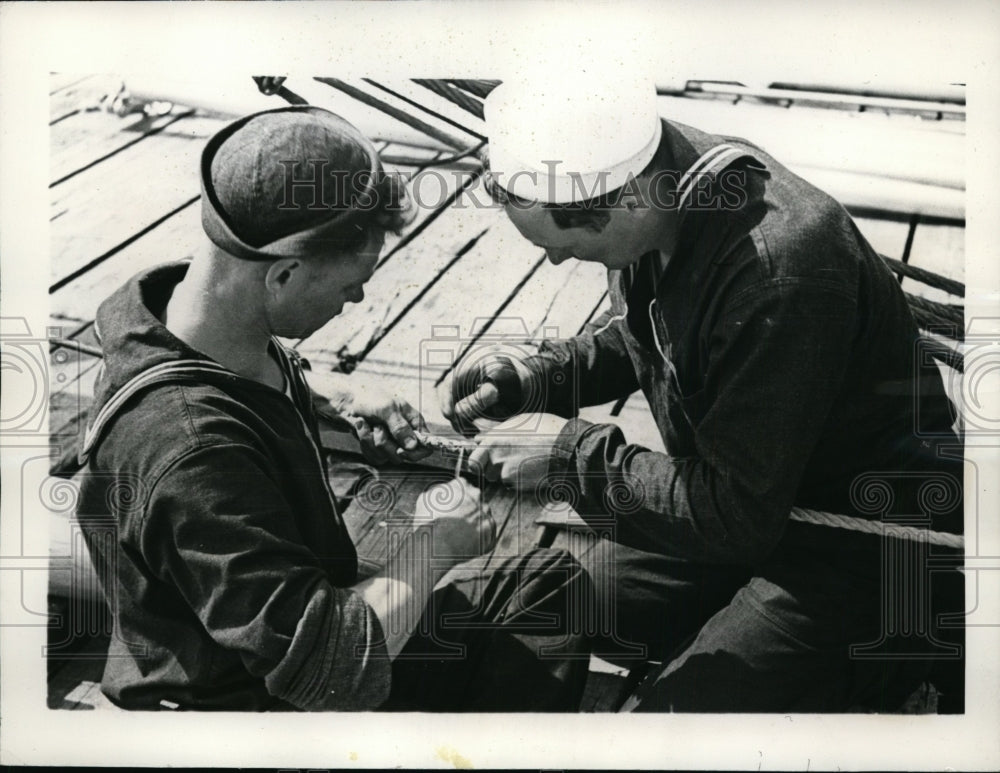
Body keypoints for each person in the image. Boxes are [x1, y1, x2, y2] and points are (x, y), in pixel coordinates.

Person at [444, 79, 965, 712]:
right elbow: (651, 333)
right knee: (550, 599)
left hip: (861, 545)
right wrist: (536, 378)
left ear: (618, 205)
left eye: (564, 247)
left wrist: (563, 456)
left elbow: (733, 512)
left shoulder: (778, 270)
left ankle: (907, 641)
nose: (555, 262)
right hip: (750, 507)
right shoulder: (666, 180)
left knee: (677, 730)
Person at [74, 105, 591, 711]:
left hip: (273, 624)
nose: (360, 296)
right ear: (285, 274)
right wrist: (433, 546)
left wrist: (324, 397)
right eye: (351, 284)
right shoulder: (193, 453)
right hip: (252, 704)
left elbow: (230, 391)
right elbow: (333, 674)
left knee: (548, 587)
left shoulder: (172, 318)